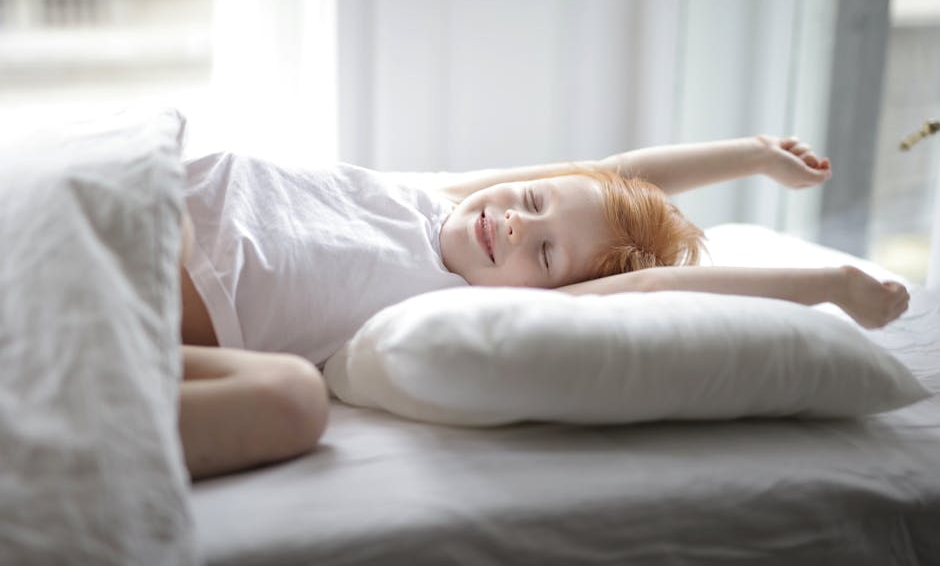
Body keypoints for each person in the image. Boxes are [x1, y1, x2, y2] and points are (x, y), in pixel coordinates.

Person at [176, 135, 910, 480]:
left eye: (547, 254)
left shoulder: (444, 299)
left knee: (293, 401)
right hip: (158, 195)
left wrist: (827, 284)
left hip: (149, 289)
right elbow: (610, 173)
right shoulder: (437, 194)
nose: (518, 223)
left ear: (551, 295)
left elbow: (647, 288)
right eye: (532, 202)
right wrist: (749, 154)